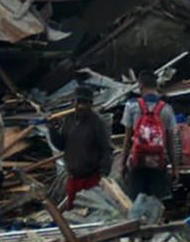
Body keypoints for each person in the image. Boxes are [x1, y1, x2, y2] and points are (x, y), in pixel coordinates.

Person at [121, 70, 180, 201]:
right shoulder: (167, 109)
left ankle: (138, 222)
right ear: (156, 86)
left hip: (137, 163)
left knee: (135, 203)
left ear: (140, 86)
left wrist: (123, 164)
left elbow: (127, 140)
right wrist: (175, 168)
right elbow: (171, 142)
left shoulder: (132, 107)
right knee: (156, 204)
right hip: (158, 163)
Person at [53, 86, 114, 210]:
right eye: (78, 102)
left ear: (91, 104)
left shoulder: (97, 122)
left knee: (89, 211)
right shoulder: (69, 120)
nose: (80, 106)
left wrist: (103, 174)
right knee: (73, 211)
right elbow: (61, 145)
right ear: (73, 103)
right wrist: (51, 131)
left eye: (84, 103)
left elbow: (106, 149)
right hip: (73, 176)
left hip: (91, 178)